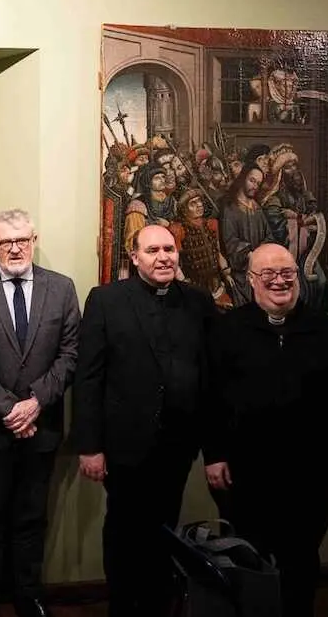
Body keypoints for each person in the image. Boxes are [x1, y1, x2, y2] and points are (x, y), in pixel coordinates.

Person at [204, 243, 328, 617]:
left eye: (287, 273)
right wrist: (213, 455)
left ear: (297, 277)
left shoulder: (326, 330)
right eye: (268, 274)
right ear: (250, 281)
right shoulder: (228, 329)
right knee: (248, 561)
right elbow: (210, 399)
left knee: (300, 565)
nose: (279, 281)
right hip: (244, 476)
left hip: (310, 476)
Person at [70, 224, 215, 617]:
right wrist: (89, 446)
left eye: (169, 249)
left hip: (177, 445)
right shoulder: (105, 300)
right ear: (134, 257)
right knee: (122, 530)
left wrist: (213, 447)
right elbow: (89, 376)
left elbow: (210, 375)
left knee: (165, 527)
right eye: (153, 250)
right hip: (123, 445)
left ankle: (157, 605)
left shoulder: (199, 303)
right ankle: (123, 606)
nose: (163, 257)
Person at [0, 210, 80, 617]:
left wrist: (34, 403)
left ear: (34, 239)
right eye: (5, 242)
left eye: (23, 240)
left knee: (32, 516)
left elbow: (70, 354)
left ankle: (27, 593)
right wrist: (7, 408)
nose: (15, 248)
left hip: (42, 425)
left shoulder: (61, 289)